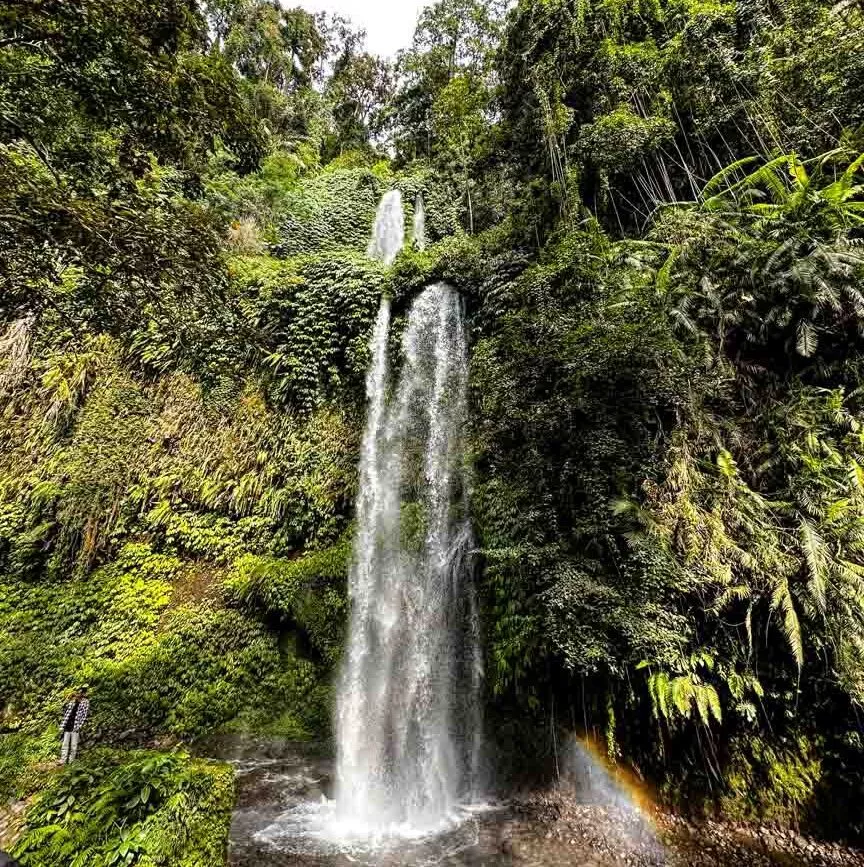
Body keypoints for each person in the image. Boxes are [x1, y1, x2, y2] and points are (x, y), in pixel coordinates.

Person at [59, 687, 89, 764]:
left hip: (75, 726)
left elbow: (84, 715)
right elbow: (66, 711)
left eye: (80, 693)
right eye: (77, 692)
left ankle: (71, 761)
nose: (78, 694)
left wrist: (79, 726)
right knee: (65, 744)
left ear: (83, 694)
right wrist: (69, 699)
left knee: (73, 745)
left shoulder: (85, 702)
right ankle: (63, 760)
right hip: (68, 724)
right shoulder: (72, 701)